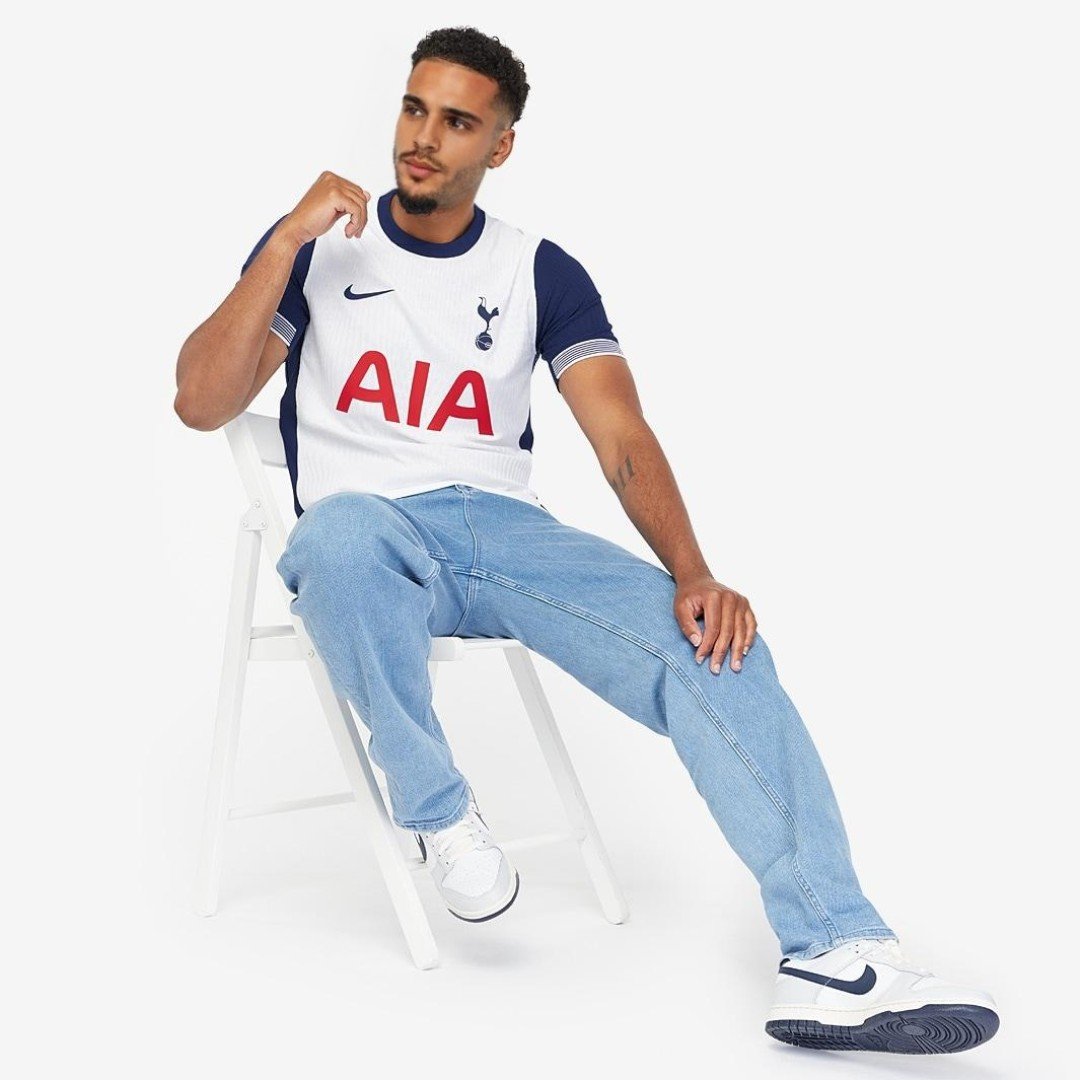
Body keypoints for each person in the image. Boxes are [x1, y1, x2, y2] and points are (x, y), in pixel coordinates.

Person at [174, 25, 999, 1056]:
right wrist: (283, 244)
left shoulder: (540, 270)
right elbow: (200, 402)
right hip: (369, 531)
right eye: (414, 108)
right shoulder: (320, 248)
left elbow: (621, 437)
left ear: (500, 145)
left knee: (716, 641)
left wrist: (694, 575)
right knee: (337, 540)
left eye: (457, 121)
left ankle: (836, 952)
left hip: (504, 534)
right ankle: (437, 813)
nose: (423, 138)